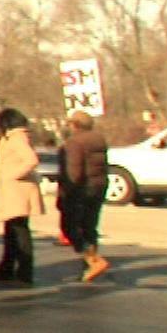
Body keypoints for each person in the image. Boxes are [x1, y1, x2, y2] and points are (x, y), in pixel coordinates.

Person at [0, 108, 43, 285]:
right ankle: (7, 268)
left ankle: (23, 272)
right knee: (12, 232)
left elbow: (31, 160)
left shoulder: (17, 138)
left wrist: (12, 174)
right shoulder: (12, 138)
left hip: (17, 191)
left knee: (19, 232)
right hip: (13, 191)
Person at [63, 110, 110, 282]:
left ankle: (93, 260)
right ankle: (89, 266)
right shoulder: (99, 139)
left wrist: (66, 192)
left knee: (70, 227)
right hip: (99, 185)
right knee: (90, 226)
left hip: (81, 189)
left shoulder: (74, 142)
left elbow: (74, 172)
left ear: (75, 125)